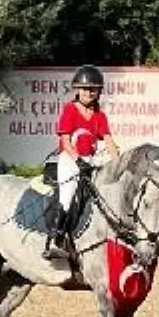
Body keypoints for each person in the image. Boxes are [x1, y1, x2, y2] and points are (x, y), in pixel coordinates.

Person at [46, 65, 120, 259]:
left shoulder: (99, 116)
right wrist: (78, 160)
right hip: (70, 159)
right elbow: (65, 140)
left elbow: (109, 141)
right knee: (68, 195)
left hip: (91, 161)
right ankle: (55, 238)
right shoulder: (70, 110)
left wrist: (119, 163)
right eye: (86, 88)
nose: (90, 92)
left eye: (94, 89)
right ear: (77, 90)